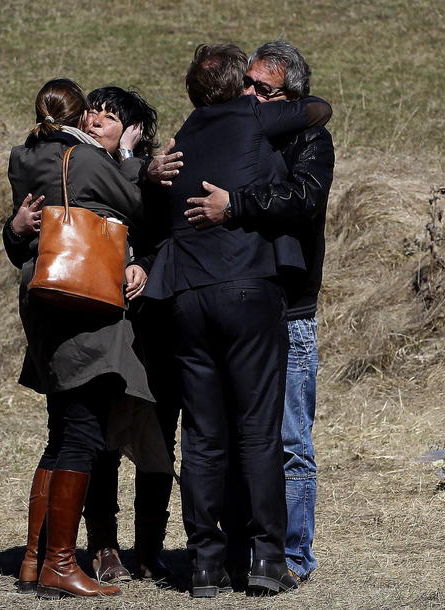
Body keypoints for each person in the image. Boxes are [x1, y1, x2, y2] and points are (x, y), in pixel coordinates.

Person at [142, 44, 330, 598]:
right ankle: (268, 559)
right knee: (258, 431)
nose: (253, 94)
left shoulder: (185, 134)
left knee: (203, 436)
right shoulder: (254, 118)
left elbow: (305, 191)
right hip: (248, 290)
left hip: (187, 295)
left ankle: (205, 563)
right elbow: (320, 107)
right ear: (235, 86)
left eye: (263, 88)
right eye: (248, 84)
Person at [3, 78, 153, 599]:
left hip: (41, 297)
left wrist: (15, 229)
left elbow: (22, 235)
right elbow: (133, 201)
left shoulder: (23, 156)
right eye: (92, 111)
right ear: (77, 115)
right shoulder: (86, 160)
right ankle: (60, 565)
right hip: (81, 299)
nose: (97, 120)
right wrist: (128, 157)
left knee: (60, 430)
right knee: (83, 434)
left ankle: (34, 559)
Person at [74, 86, 180, 585]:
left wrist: (145, 266)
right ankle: (104, 546)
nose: (96, 119)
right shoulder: (74, 167)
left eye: (110, 116)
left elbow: (167, 237)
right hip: (99, 325)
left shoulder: (154, 178)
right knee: (102, 438)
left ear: (133, 131)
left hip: (150, 326)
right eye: (92, 111)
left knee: (158, 435)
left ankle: (149, 549)